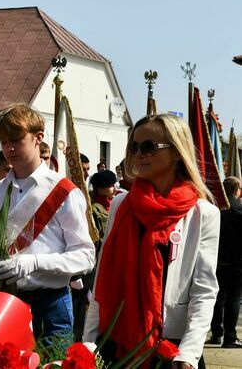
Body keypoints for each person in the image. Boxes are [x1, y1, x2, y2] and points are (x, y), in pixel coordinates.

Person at [84, 113, 220, 369]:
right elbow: (104, 277)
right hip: (118, 340)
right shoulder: (121, 204)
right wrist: (89, 340)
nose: (139, 154)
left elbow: (204, 291)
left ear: (177, 152)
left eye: (149, 147)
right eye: (135, 147)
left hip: (174, 349)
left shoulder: (203, 213)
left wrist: (189, 352)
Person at [0, 103, 95, 348]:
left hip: (51, 303)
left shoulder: (64, 191)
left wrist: (35, 262)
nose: (9, 148)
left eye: (16, 139)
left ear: (38, 138)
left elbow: (86, 257)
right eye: (4, 142)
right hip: (5, 301)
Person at [71, 169, 118, 342]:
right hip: (94, 265)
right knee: (83, 306)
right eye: (110, 186)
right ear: (100, 188)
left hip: (109, 263)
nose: (113, 189)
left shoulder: (114, 205)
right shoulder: (93, 210)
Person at [209, 176, 242, 348]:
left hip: (216, 259)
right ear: (237, 190)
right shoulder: (239, 208)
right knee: (233, 299)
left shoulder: (216, 207)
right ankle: (230, 337)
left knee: (217, 298)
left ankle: (216, 333)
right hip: (236, 261)